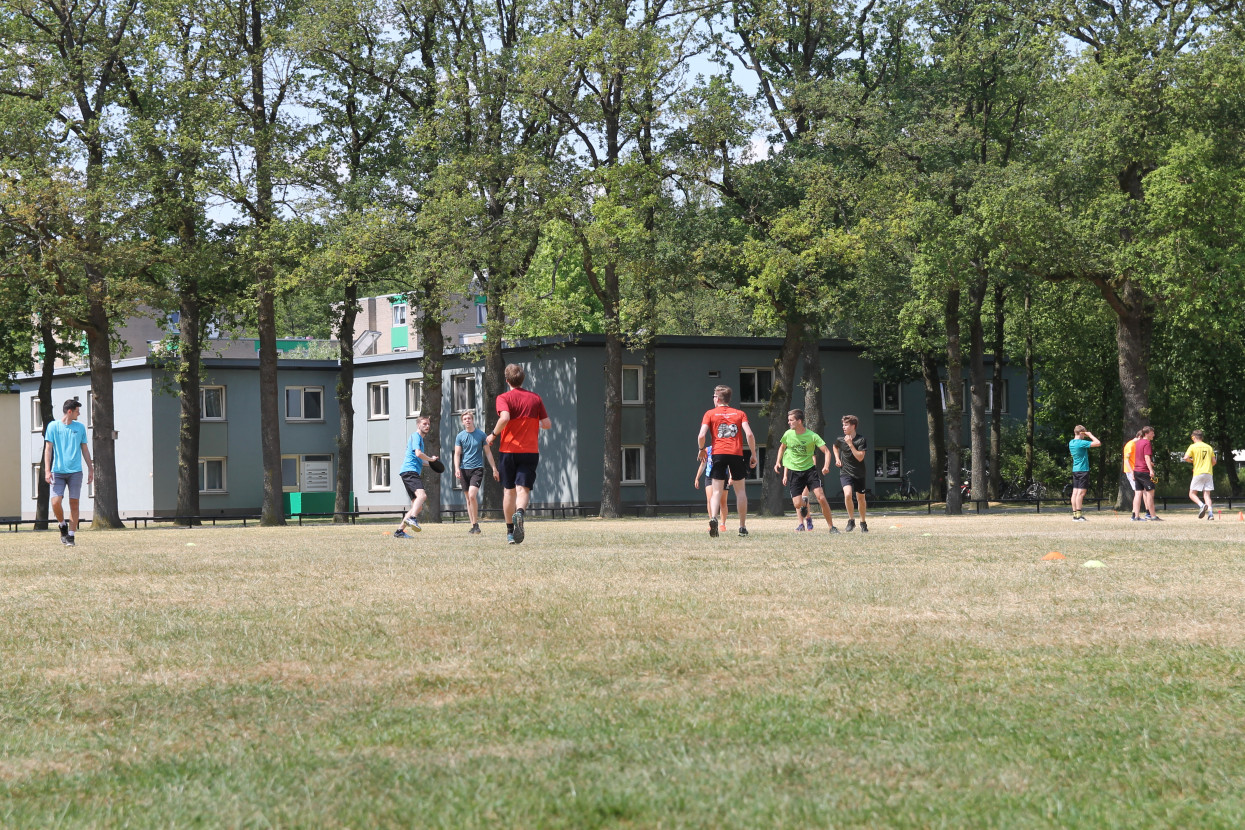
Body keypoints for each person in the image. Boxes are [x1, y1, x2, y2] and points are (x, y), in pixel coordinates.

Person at [485, 363, 551, 545]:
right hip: (530, 451)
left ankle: (509, 532)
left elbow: (504, 417)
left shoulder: (503, 397)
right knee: (523, 489)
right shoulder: (535, 398)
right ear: (523, 379)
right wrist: (531, 425)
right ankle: (520, 513)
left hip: (508, 450)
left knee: (509, 491)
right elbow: (547, 424)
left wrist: (493, 435)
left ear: (507, 381)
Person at [697, 385, 758, 538]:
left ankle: (713, 519)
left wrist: (702, 448)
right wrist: (753, 453)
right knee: (741, 492)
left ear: (717, 398)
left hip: (718, 454)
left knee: (716, 491)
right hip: (736, 454)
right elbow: (749, 435)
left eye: (713, 397)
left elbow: (701, 435)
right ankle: (742, 527)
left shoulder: (710, 414)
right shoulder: (740, 413)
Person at [773, 409, 839, 534]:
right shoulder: (788, 434)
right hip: (794, 472)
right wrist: (778, 462)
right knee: (797, 504)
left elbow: (827, 451)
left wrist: (826, 466)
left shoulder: (812, 435)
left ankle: (832, 527)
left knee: (821, 497)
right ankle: (804, 504)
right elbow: (782, 448)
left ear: (799, 421)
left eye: (791, 420)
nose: (789, 422)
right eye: (788, 420)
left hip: (809, 470)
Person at [43, 398, 93, 547]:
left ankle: (70, 536)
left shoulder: (80, 427)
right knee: (56, 502)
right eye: (78, 411)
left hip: (75, 472)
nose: (79, 413)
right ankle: (62, 524)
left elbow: (84, 449)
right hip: (57, 472)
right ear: (70, 411)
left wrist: (90, 468)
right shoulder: (53, 427)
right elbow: (48, 449)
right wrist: (47, 470)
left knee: (74, 503)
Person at [454, 410, 499, 534]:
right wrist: (457, 468)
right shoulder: (460, 436)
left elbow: (488, 453)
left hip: (477, 469)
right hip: (464, 470)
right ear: (462, 422)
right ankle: (473, 525)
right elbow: (457, 454)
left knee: (473, 495)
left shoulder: (481, 435)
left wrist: (494, 469)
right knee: (468, 499)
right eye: (465, 419)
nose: (467, 420)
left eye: (469, 418)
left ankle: (476, 524)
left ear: (472, 420)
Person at [394, 415, 438, 538]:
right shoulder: (416, 436)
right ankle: (412, 519)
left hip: (409, 472)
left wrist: (431, 463)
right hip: (410, 472)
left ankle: (399, 532)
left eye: (428, 424)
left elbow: (420, 460)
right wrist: (430, 459)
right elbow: (419, 454)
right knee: (422, 495)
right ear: (418, 425)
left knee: (417, 507)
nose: (427, 426)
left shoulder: (419, 440)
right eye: (424, 424)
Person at [833, 415, 869, 532]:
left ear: (853, 426)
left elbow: (860, 457)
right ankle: (851, 520)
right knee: (847, 495)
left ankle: (863, 523)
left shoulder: (861, 440)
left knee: (861, 499)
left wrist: (850, 445)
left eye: (846, 424)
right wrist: (837, 459)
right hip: (845, 472)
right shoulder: (840, 439)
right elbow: (835, 446)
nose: (843, 427)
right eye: (843, 424)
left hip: (859, 473)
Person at [1067, 425, 1102, 522]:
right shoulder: (1081, 443)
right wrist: (1090, 435)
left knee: (1074, 493)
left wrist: (1083, 434)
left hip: (1075, 470)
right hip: (1083, 470)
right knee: (1081, 493)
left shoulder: (1071, 442)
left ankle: (1075, 515)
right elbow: (1098, 443)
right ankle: (1079, 515)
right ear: (1082, 433)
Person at [1183, 430, 1217, 519]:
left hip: (1198, 472)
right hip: (1209, 473)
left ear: (1194, 437)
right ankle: (1210, 514)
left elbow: (1186, 458)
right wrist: (1208, 466)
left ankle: (1202, 505)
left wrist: (1192, 461)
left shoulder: (1193, 446)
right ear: (1202, 437)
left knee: (1192, 494)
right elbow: (1214, 461)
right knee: (1207, 495)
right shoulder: (1209, 447)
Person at [693, 445, 729, 524]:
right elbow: (703, 465)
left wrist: (731, 477)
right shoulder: (707, 450)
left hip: (722, 476)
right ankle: (712, 522)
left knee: (723, 501)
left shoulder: (725, 449)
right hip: (709, 476)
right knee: (710, 499)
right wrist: (697, 478)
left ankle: (723, 524)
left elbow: (730, 464)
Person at [1131, 426, 1160, 521]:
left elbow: (1139, 457)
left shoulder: (1138, 443)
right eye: (1152, 433)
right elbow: (1147, 457)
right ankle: (1153, 516)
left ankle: (1136, 516)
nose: (1153, 435)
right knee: (1150, 493)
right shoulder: (1147, 443)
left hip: (1136, 470)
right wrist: (1151, 470)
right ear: (1146, 434)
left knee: (1138, 493)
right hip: (1144, 471)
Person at [1123, 430, 1141, 495]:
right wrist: (1132, 472)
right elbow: (1126, 460)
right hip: (1132, 470)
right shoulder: (1130, 445)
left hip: (1137, 470)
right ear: (1139, 437)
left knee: (1141, 491)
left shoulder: (1136, 445)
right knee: (1138, 491)